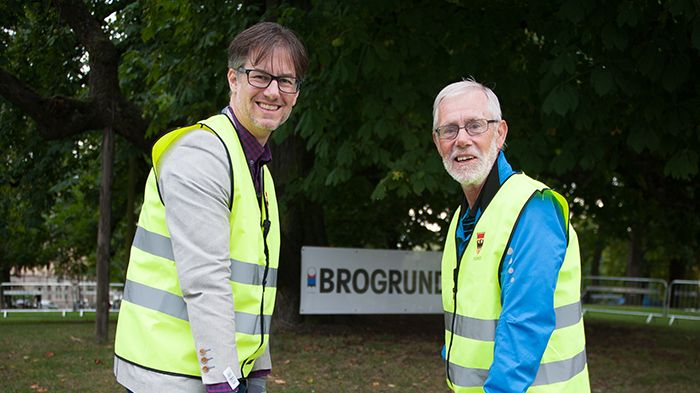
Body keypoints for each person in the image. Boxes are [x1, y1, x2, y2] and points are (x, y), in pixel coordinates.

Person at [114, 22, 308, 393]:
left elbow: (255, 281)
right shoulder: (202, 155)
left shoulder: (256, 167)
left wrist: (256, 365)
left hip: (233, 369)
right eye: (260, 76)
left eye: (287, 81)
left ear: (296, 94)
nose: (273, 91)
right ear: (233, 79)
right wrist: (225, 381)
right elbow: (207, 281)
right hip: (172, 375)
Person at [433, 79, 590, 392]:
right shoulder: (464, 218)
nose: (461, 140)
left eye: (475, 125)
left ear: (500, 133)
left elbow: (524, 326)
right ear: (437, 141)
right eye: (449, 129)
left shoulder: (532, 210)